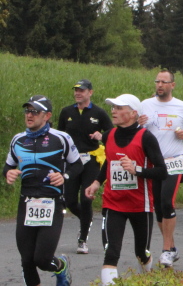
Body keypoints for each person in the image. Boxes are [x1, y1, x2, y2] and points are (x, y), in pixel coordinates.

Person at [85, 94, 167, 286]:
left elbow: (162, 171)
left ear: (133, 113)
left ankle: (147, 276)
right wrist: (97, 182)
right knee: (111, 252)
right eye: (113, 107)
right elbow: (109, 161)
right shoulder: (109, 135)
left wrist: (137, 170)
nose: (113, 111)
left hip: (140, 205)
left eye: (119, 108)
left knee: (141, 253)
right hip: (113, 203)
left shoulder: (146, 137)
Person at [4, 95, 83, 286]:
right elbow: (8, 167)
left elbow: (77, 165)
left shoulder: (61, 138)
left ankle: (61, 266)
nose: (29, 115)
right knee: (27, 260)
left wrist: (64, 176)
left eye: (35, 111)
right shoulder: (18, 140)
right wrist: (9, 173)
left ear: (47, 115)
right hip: (26, 203)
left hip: (52, 202)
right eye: (27, 111)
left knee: (42, 259)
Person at [139, 69, 183, 268]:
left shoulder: (182, 106)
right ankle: (172, 247)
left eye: (164, 82)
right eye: (157, 81)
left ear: (172, 85)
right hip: (153, 163)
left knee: (167, 202)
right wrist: (138, 124)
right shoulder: (145, 105)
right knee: (158, 206)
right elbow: (135, 130)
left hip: (174, 160)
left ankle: (166, 250)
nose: (159, 85)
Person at [58, 79, 113, 255]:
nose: (78, 93)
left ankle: (82, 239)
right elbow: (59, 136)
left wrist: (101, 136)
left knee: (86, 198)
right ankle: (86, 219)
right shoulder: (67, 112)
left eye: (81, 90)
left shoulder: (98, 113)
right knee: (70, 201)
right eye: (76, 90)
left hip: (91, 160)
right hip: (72, 161)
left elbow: (112, 134)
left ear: (90, 92)